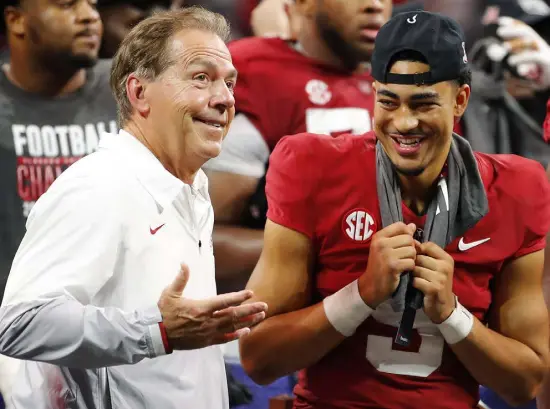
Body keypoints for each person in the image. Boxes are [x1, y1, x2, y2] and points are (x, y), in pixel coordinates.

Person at [239, 10, 550, 409]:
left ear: (460, 100)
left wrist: (452, 314)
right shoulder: (313, 165)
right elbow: (259, 359)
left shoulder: (516, 187)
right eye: (389, 101)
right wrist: (362, 294)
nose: (404, 123)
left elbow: (524, 384)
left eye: (422, 104)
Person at [0, 7, 267, 409]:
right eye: (201, 78)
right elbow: (20, 324)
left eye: (229, 83)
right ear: (139, 93)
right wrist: (155, 331)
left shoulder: (191, 186)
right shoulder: (99, 186)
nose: (224, 98)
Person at [204, 0, 393, 294]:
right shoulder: (255, 76)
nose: (375, 5)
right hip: (285, 317)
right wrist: (334, 251)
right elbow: (202, 236)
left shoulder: (409, 79)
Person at [0, 0, 118, 304]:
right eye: (67, 4)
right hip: (17, 320)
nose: (89, 16)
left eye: (92, 4)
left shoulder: (128, 91)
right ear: (16, 21)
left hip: (121, 319)